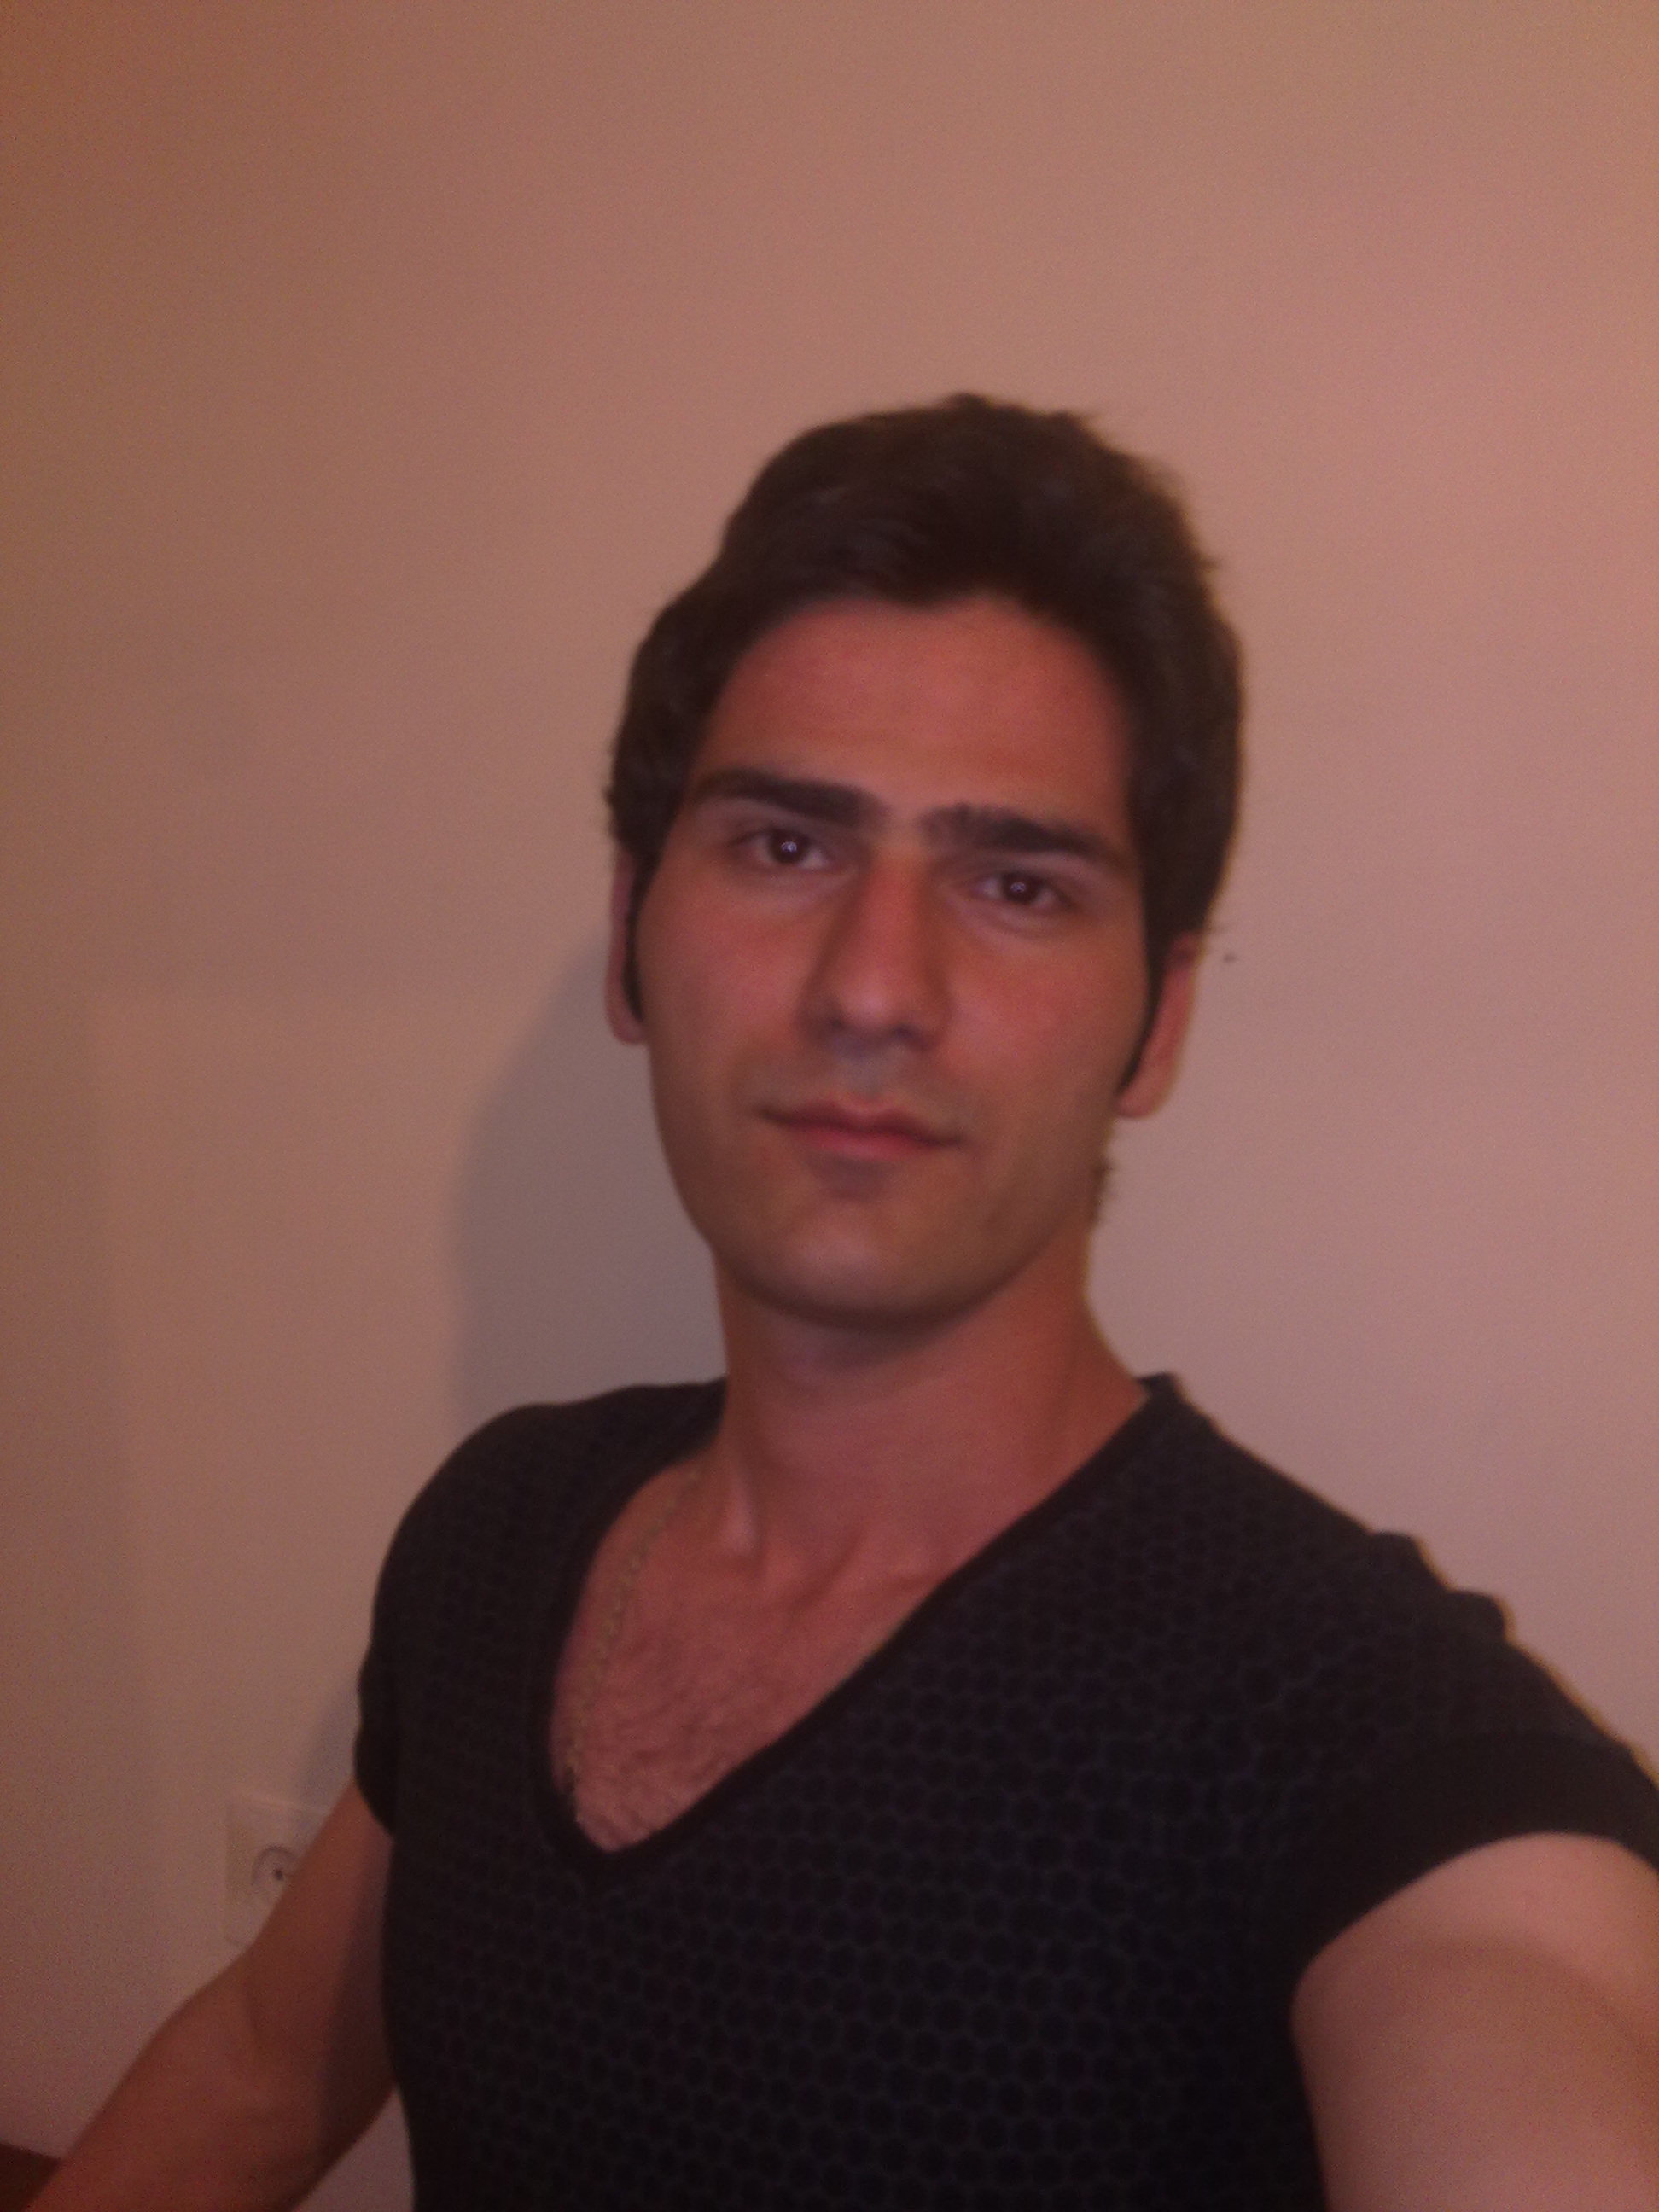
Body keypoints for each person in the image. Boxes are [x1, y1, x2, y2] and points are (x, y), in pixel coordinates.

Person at [40, 397, 1659, 2210]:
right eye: (787, 848)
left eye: (1019, 882)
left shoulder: (1353, 1726)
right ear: (634, 937)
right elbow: (263, 2073)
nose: (876, 984)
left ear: (1159, 1022)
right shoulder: (500, 1531)